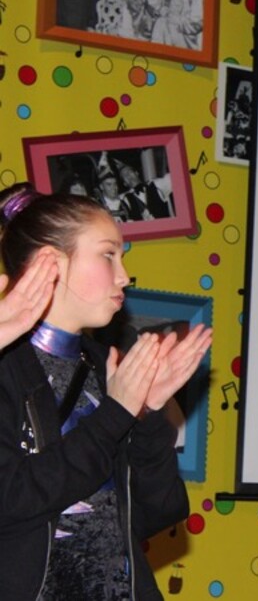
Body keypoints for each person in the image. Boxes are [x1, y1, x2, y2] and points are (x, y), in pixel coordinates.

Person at [0, 182, 212, 599]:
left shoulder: (106, 365)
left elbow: (158, 512)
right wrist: (115, 413)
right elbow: (11, 501)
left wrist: (148, 414)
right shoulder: (7, 364)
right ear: (51, 261)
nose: (124, 276)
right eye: (108, 255)